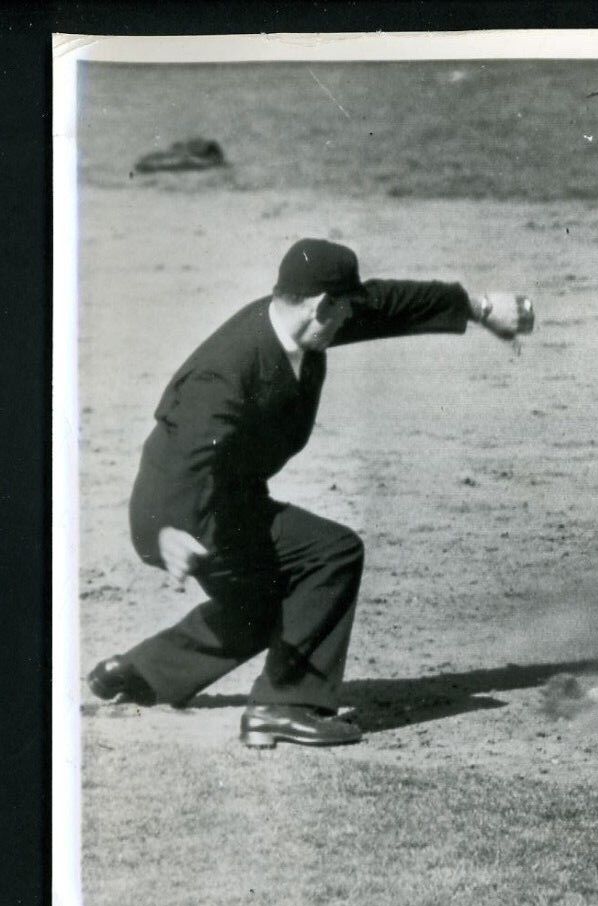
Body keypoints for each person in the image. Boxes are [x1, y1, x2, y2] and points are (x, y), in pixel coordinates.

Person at [86, 238, 535, 747]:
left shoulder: (302, 322)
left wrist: (476, 309)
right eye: (346, 308)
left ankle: (143, 674)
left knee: (267, 600)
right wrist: (170, 532)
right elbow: (185, 456)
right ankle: (287, 705)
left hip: (227, 502)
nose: (354, 318)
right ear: (322, 306)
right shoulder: (227, 371)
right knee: (329, 554)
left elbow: (383, 304)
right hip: (183, 511)